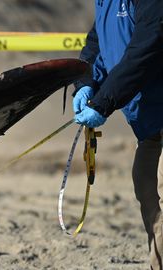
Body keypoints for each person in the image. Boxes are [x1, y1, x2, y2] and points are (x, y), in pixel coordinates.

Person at [72, 0, 163, 268]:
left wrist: (104, 102)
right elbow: (96, 44)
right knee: (147, 193)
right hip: (149, 124)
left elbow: (147, 48)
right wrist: (85, 83)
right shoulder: (106, 2)